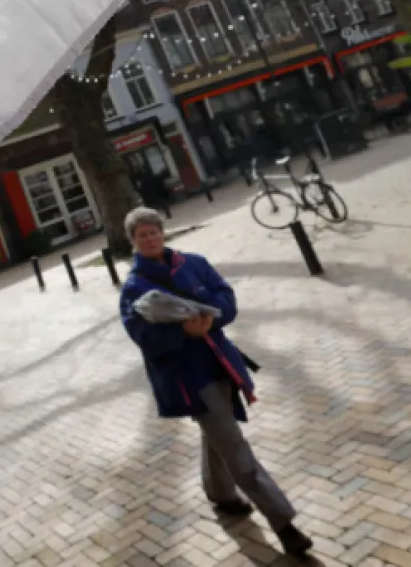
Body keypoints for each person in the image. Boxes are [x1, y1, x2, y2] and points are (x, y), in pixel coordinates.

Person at [118, 207, 313, 559]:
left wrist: (210, 315)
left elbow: (225, 296)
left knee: (218, 434)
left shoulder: (194, 263)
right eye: (141, 235)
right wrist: (182, 331)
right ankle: (284, 523)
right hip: (190, 378)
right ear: (132, 242)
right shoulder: (134, 288)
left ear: (163, 233)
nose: (149, 239)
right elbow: (142, 335)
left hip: (222, 363)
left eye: (153, 232)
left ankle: (221, 495)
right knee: (234, 444)